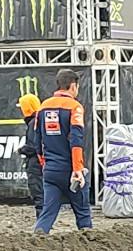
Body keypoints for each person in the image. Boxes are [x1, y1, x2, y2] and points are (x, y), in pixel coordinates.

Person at [28, 69, 91, 236]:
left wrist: (44, 164)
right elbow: (76, 140)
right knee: (83, 213)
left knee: (47, 213)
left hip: (50, 171)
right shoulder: (74, 107)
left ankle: (36, 243)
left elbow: (37, 141)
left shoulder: (43, 107)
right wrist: (77, 169)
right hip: (71, 170)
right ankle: (91, 248)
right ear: (73, 86)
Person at [17, 90, 43, 211]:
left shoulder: (34, 122)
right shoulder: (39, 120)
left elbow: (34, 146)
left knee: (38, 193)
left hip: (35, 164)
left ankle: (42, 223)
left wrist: (22, 150)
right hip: (40, 162)